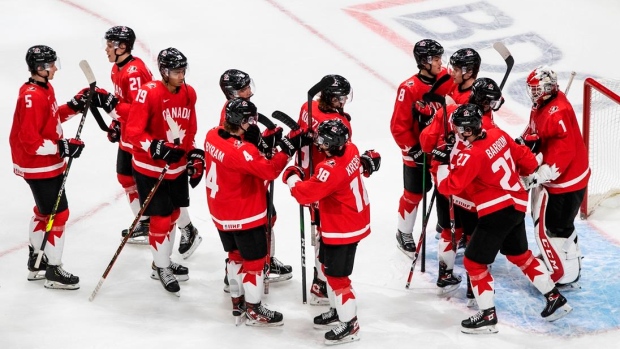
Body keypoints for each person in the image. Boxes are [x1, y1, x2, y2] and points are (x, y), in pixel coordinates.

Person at [435, 104, 572, 334]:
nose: (457, 133)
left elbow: (450, 186)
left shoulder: (472, 154)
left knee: (473, 263)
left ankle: (488, 316)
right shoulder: (498, 134)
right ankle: (555, 298)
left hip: (496, 212)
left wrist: (441, 163)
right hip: (517, 205)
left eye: (459, 129)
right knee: (521, 256)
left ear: (468, 130)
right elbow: (527, 160)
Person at [99, 26, 201, 258]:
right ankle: (147, 223)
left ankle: (186, 228)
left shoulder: (134, 73)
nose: (106, 49)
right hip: (132, 137)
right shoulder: (118, 68)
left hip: (145, 141)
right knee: (125, 178)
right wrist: (116, 122)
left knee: (163, 194)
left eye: (110, 44)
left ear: (121, 46)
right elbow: (130, 113)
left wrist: (111, 106)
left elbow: (136, 111)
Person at [204, 97, 306, 326]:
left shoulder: (212, 135)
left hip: (220, 212)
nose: (253, 124)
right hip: (243, 214)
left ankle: (237, 301)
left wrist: (259, 142)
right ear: (239, 121)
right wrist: (287, 148)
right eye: (249, 121)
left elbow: (246, 156)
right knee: (255, 263)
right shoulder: (240, 152)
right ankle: (254, 309)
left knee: (235, 256)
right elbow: (268, 170)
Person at [283, 118, 377, 345]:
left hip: (343, 227)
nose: (318, 144)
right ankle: (338, 312)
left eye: (321, 141)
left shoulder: (329, 169)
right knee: (327, 268)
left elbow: (305, 194)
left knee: (337, 278)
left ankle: (350, 324)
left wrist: (292, 176)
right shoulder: (352, 149)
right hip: (347, 220)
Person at [123, 47, 204, 295]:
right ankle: (161, 267)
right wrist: (155, 146)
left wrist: (193, 154)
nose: (182, 76)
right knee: (159, 218)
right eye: (177, 72)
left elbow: (189, 126)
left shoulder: (189, 93)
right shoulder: (148, 94)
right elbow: (133, 133)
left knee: (174, 214)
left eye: (183, 71)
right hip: (149, 167)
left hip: (176, 167)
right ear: (164, 72)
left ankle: (162, 262)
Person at [10, 45, 88, 290]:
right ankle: (53, 269)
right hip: (38, 165)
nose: (55, 68)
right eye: (51, 64)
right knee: (58, 214)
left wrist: (74, 106)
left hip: (46, 164)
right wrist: (62, 147)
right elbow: (31, 142)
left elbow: (51, 119)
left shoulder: (44, 89)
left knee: (44, 212)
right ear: (40, 68)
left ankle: (37, 262)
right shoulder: (31, 97)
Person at [421, 76, 501, 298]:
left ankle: (444, 274)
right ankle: (473, 288)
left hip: (443, 180)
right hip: (470, 189)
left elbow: (426, 142)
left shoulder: (448, 111)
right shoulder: (487, 125)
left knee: (448, 229)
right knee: (475, 237)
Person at [217, 69, 293, 292]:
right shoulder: (230, 116)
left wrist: (265, 140)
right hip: (243, 183)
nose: (249, 91)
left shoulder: (239, 111)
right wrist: (274, 148)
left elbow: (252, 142)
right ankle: (257, 266)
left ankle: (262, 262)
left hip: (245, 177)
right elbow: (245, 153)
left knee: (270, 217)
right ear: (231, 93)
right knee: (260, 223)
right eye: (243, 89)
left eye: (249, 86)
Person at [519, 66, 590, 288]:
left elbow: (564, 152)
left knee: (558, 226)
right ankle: (565, 260)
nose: (532, 93)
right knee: (557, 225)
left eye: (535, 89)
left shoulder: (557, 112)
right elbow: (535, 131)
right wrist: (523, 145)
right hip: (562, 180)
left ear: (547, 88)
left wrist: (540, 174)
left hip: (567, 182)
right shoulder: (543, 104)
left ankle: (567, 273)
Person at [389, 39, 453, 259]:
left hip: (442, 151)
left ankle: (443, 227)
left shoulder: (446, 78)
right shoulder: (409, 88)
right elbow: (398, 127)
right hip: (417, 153)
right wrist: (414, 150)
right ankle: (403, 232)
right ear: (424, 61)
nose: (439, 63)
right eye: (435, 59)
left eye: (439, 58)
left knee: (447, 190)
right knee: (414, 193)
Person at [294, 74, 354, 306]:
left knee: (319, 231)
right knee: (325, 235)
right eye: (340, 98)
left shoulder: (305, 108)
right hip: (324, 185)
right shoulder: (340, 124)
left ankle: (319, 280)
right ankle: (320, 284)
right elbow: (343, 151)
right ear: (329, 97)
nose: (343, 102)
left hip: (307, 177)